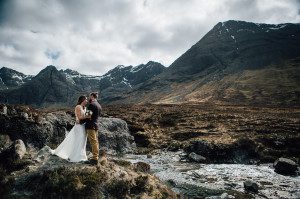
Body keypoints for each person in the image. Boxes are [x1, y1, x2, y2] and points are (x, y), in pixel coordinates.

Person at [51, 95, 89, 162]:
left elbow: (84, 116)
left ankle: (81, 155)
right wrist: (88, 116)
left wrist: (87, 116)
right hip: (79, 127)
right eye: (86, 99)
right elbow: (79, 117)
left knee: (83, 140)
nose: (87, 101)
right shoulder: (78, 107)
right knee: (78, 140)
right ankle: (75, 157)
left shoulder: (84, 107)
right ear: (82, 100)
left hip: (83, 126)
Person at [82, 92, 102, 165]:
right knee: (96, 141)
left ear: (92, 96)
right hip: (96, 125)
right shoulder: (99, 105)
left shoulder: (91, 105)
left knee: (93, 142)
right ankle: (95, 157)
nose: (89, 98)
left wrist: (80, 121)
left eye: (90, 96)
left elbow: (87, 115)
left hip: (90, 125)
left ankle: (95, 159)